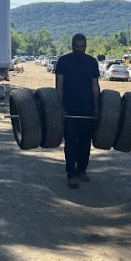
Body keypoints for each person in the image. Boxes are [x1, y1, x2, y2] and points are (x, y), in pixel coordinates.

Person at [56, 33, 100, 188]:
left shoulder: (92, 62)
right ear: (72, 45)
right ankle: (71, 174)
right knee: (71, 142)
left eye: (82, 46)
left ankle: (81, 170)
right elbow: (59, 86)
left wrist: (96, 107)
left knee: (85, 143)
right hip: (69, 109)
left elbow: (95, 86)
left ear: (86, 46)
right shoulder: (63, 61)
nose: (79, 49)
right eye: (76, 46)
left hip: (87, 109)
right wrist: (60, 107)